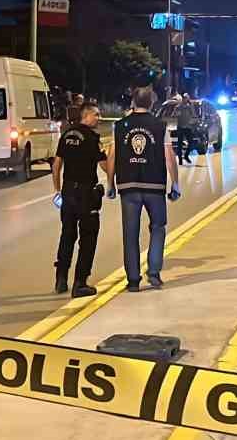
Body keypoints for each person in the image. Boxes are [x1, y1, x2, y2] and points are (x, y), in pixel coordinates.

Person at [111, 87, 181, 291]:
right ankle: (154, 273)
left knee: (130, 233)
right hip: (154, 186)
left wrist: (110, 183)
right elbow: (169, 156)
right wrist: (175, 183)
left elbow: (112, 155)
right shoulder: (160, 126)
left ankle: (133, 280)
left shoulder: (119, 126)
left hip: (128, 186)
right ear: (151, 103)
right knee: (158, 227)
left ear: (133, 102)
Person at [51, 103, 112, 297]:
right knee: (88, 238)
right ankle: (80, 283)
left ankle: (61, 279)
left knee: (67, 235)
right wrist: (112, 171)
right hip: (86, 193)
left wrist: (57, 190)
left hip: (68, 191)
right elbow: (104, 166)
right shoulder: (92, 138)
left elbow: (57, 164)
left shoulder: (66, 135)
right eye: (96, 115)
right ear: (86, 115)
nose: (99, 118)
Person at [174, 95, 197, 165]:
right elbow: (175, 115)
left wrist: (192, 121)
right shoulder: (178, 107)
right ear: (183, 99)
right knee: (179, 144)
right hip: (180, 127)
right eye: (185, 98)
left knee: (191, 142)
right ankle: (180, 159)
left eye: (187, 98)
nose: (186, 100)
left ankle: (186, 155)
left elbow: (194, 115)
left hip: (188, 127)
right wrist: (177, 112)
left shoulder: (190, 107)